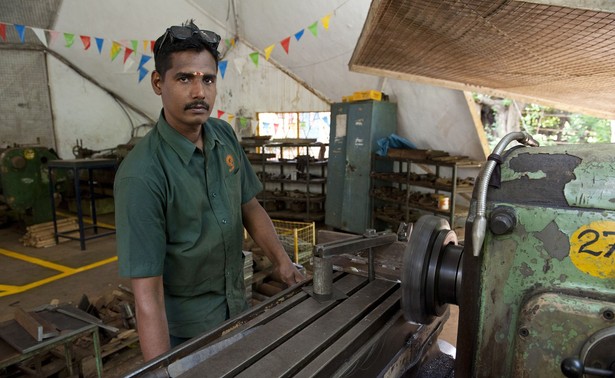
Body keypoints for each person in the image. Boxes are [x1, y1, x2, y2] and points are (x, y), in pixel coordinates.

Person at [114, 20, 304, 361]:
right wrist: (163, 368)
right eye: (185, 78)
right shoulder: (142, 176)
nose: (199, 92)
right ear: (159, 82)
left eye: (208, 79)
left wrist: (283, 262)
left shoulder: (224, 135)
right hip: (187, 335)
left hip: (237, 308)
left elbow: (250, 206)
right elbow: (148, 296)